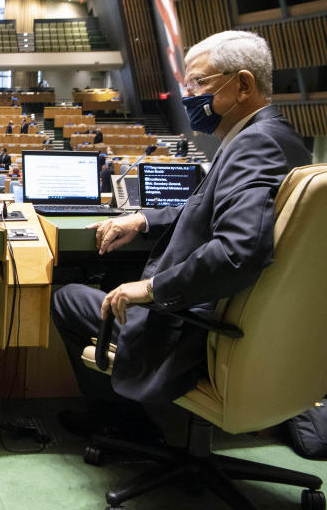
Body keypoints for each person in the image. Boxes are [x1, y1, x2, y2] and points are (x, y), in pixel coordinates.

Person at [50, 31, 311, 440]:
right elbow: (211, 209)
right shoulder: (281, 139)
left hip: (193, 328)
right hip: (249, 325)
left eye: (199, 83)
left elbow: (236, 252)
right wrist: (142, 221)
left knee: (68, 298)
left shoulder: (253, 146)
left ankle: (123, 425)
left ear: (243, 84)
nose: (188, 95)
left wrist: (151, 288)